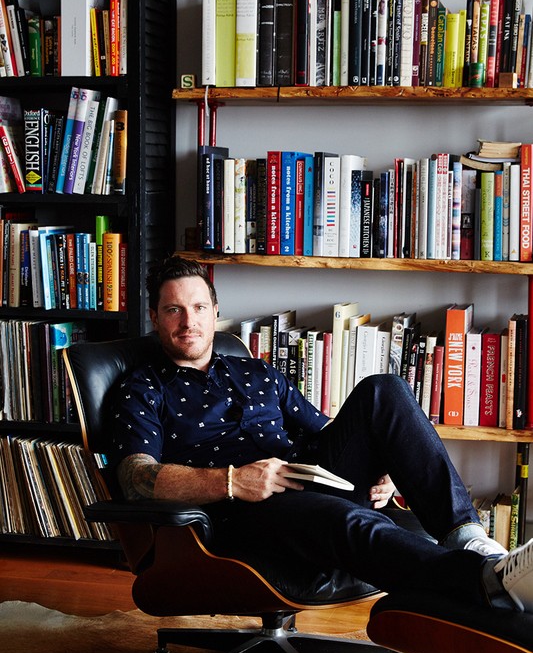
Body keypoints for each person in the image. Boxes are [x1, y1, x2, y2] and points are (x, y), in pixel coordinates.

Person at [109, 254, 533, 614]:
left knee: (383, 390)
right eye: (174, 310)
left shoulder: (255, 371)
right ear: (155, 317)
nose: (189, 321)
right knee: (343, 518)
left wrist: (386, 463)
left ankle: (470, 540)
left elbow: (331, 431)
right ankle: (483, 582)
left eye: (199, 307)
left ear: (215, 311)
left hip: (305, 478)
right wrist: (233, 481)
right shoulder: (142, 388)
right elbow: (134, 478)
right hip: (240, 514)